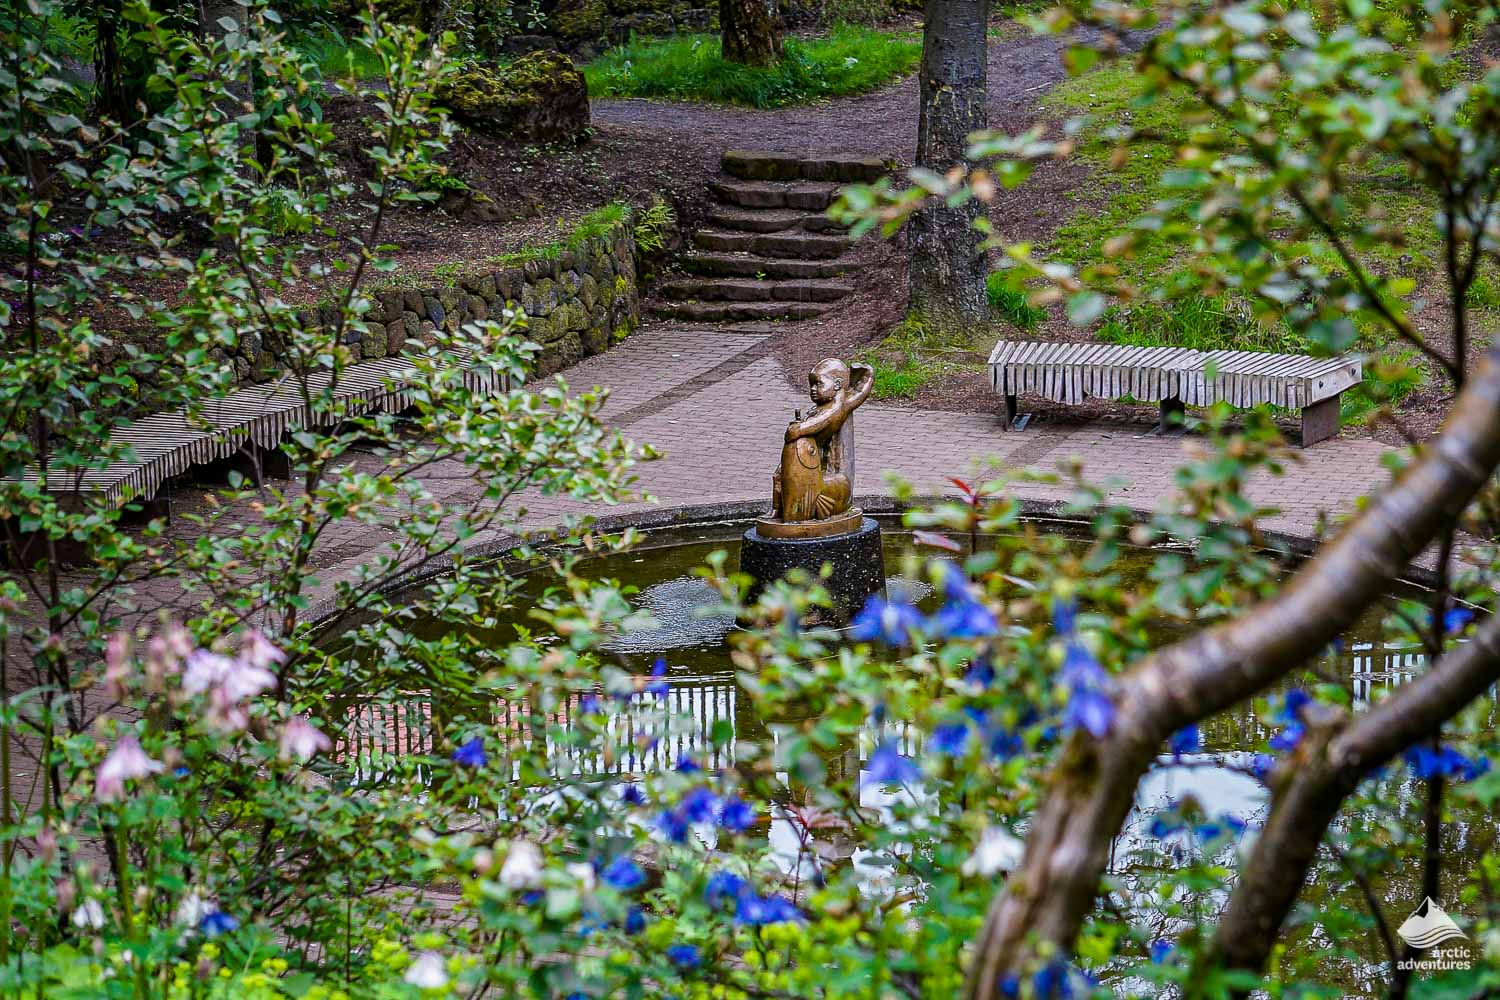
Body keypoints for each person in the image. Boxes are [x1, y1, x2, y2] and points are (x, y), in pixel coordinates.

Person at [771, 358, 874, 523]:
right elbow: (861, 391)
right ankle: (777, 509)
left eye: (818, 384)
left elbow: (816, 424)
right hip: (808, 453)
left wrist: (798, 429)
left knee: (787, 477)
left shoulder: (835, 408)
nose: (812, 389)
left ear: (838, 385)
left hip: (813, 454)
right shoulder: (839, 403)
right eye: (811, 385)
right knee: (778, 476)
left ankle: (795, 512)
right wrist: (868, 374)